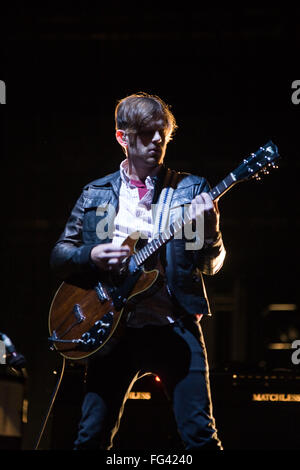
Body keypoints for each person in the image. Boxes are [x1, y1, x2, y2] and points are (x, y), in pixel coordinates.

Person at [50, 92, 226, 451]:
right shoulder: (96, 193)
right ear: (122, 137)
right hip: (114, 330)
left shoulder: (190, 190)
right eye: (147, 133)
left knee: (200, 436)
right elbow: (59, 256)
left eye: (162, 132)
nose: (158, 140)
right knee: (90, 438)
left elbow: (210, 265)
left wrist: (211, 232)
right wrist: (93, 254)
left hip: (173, 325)